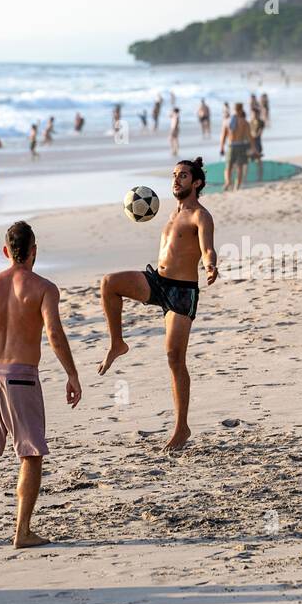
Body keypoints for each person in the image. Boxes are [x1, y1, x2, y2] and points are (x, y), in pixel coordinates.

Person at [0, 221, 82, 550]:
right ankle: (22, 532)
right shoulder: (43, 287)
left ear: (5, 252)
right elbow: (54, 334)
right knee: (31, 455)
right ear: (34, 251)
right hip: (21, 378)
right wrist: (72, 374)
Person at [96, 158, 218, 451]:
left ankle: (181, 427)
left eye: (183, 176)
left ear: (197, 182)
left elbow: (207, 247)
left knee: (174, 358)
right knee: (109, 283)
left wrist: (211, 265)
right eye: (174, 175)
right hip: (158, 282)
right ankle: (117, 343)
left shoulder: (200, 216)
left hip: (182, 292)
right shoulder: (172, 215)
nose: (176, 180)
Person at [220, 102, 252, 191]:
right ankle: (237, 186)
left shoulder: (226, 121)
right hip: (241, 145)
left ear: (233, 110)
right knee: (239, 167)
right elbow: (249, 136)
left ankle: (227, 182)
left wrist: (222, 147)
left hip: (231, 146)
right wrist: (253, 148)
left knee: (228, 166)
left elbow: (223, 136)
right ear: (241, 110)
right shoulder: (244, 122)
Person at [249, 105, 265, 183]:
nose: (253, 115)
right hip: (250, 143)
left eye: (255, 113)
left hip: (257, 142)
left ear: (258, 114)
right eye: (252, 114)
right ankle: (251, 176)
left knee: (258, 160)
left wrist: (252, 136)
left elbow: (259, 133)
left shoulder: (261, 122)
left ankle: (260, 177)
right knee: (249, 160)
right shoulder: (250, 122)